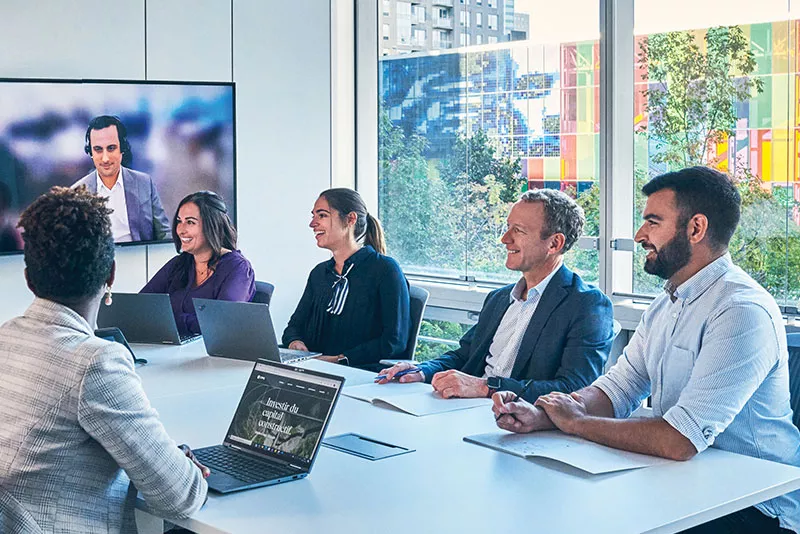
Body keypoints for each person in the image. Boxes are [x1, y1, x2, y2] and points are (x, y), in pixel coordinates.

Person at [493, 167, 800, 533]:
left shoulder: (740, 311)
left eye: (653, 222)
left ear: (696, 228)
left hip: (755, 507)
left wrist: (576, 423)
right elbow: (617, 390)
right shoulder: (667, 302)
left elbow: (679, 440)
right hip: (685, 483)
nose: (640, 235)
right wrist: (545, 414)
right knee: (546, 504)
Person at [0, 186, 208, 532]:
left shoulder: (5, 337)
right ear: (111, 275)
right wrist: (177, 463)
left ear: (28, 279)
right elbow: (181, 496)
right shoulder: (94, 362)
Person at [377, 188, 615, 401]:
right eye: (507, 227)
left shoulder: (586, 305)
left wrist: (487, 387)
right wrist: (422, 370)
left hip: (523, 426)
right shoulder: (499, 298)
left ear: (554, 244)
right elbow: (464, 356)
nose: (504, 239)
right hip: (467, 412)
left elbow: (575, 389)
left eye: (518, 231)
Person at [282, 188, 410, 372]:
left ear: (350, 219)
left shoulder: (385, 270)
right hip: (315, 370)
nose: (312, 223)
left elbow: (394, 342)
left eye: (322, 215)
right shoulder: (319, 274)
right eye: (313, 215)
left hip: (361, 374)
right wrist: (296, 343)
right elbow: (294, 326)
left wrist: (339, 359)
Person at [141, 190, 255, 336]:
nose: (180, 230)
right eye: (179, 221)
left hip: (212, 354)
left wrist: (167, 320)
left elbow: (222, 323)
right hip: (174, 350)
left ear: (212, 225)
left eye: (190, 222)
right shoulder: (179, 264)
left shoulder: (237, 267)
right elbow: (142, 307)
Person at [72, 115, 170, 242]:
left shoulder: (144, 183)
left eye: (111, 148)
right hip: (97, 261)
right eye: (98, 150)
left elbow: (163, 233)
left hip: (141, 258)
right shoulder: (77, 193)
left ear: (122, 149)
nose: (105, 158)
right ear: (90, 152)